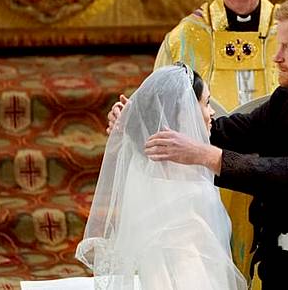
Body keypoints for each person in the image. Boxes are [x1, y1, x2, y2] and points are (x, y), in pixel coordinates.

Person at [145, 0, 288, 290]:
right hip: (278, 268)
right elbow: (229, 131)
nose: (276, 56)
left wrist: (207, 156)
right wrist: (142, 123)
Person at [107, 0, 278, 285]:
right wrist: (128, 121)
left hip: (273, 181)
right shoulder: (186, 36)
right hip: (203, 186)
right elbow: (157, 110)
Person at [77, 63, 247, 290]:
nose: (212, 112)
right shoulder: (188, 186)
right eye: (206, 103)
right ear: (184, 112)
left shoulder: (150, 171)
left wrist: (139, 122)